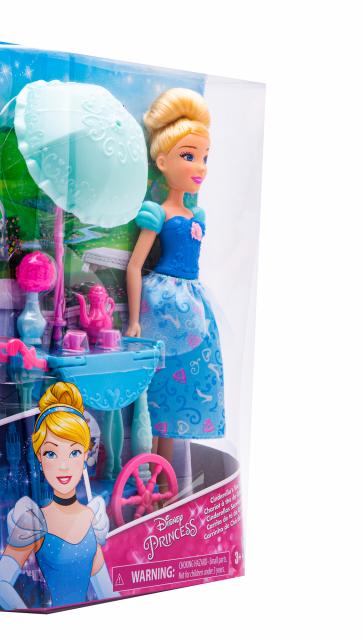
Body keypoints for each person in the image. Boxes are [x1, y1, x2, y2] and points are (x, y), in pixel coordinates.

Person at [125, 87, 226, 485]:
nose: (199, 166)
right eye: (189, 156)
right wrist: (134, 320)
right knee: (156, 389)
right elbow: (135, 265)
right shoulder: (159, 213)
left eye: (204, 157)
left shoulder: (196, 213)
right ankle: (153, 477)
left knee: (181, 387)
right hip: (163, 303)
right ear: (162, 161)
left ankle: (165, 482)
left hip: (193, 304)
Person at [0, 382, 118, 609]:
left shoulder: (92, 518)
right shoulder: (33, 521)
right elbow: (0, 583)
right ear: (39, 457)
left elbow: (106, 591)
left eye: (74, 452)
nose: (63, 465)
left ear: (85, 455)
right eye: (51, 453)